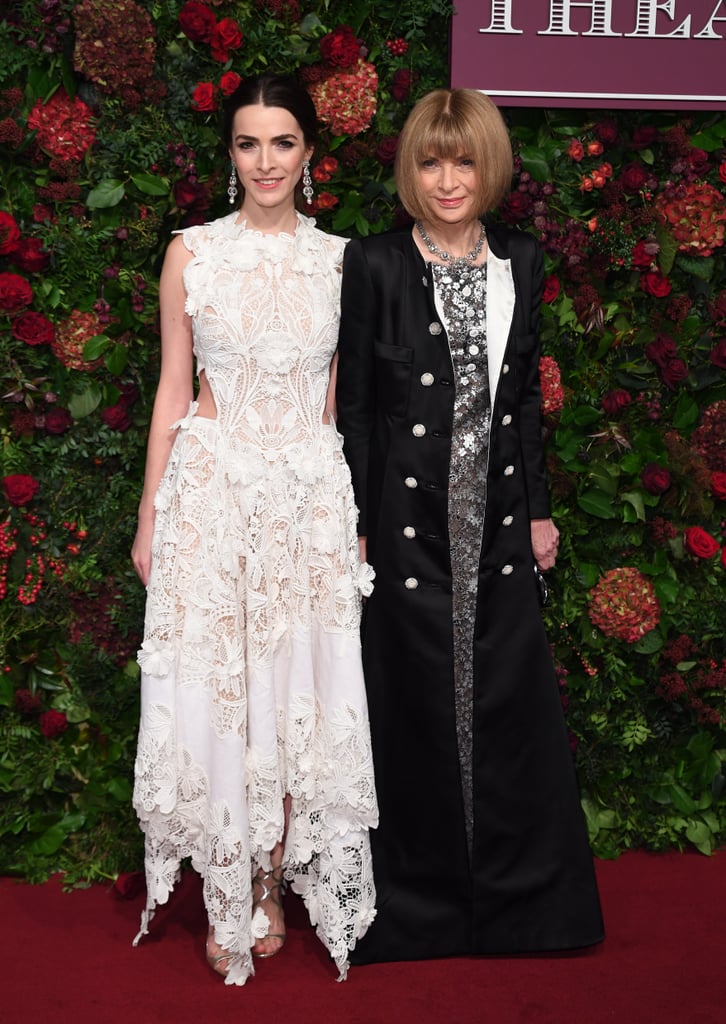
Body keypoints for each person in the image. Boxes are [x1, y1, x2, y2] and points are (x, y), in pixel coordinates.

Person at [336, 88, 604, 964]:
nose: (448, 180)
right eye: (430, 161)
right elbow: (361, 411)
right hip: (408, 522)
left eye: (464, 161)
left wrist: (540, 511)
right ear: (411, 170)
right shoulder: (375, 263)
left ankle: (521, 907)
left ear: (490, 168)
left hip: (493, 522)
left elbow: (521, 397)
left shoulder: (520, 260)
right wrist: (362, 524)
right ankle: (418, 909)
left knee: (505, 705)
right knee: (409, 704)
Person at [130, 73, 377, 986]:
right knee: (217, 688)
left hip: (309, 496)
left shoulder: (345, 260)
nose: (265, 160)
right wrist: (150, 512)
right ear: (229, 155)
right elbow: (173, 389)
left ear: (310, 151)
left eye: (282, 142)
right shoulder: (191, 253)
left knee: (292, 688)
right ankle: (224, 885)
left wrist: (348, 519)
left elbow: (339, 400)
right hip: (211, 496)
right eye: (248, 143)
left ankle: (271, 881)